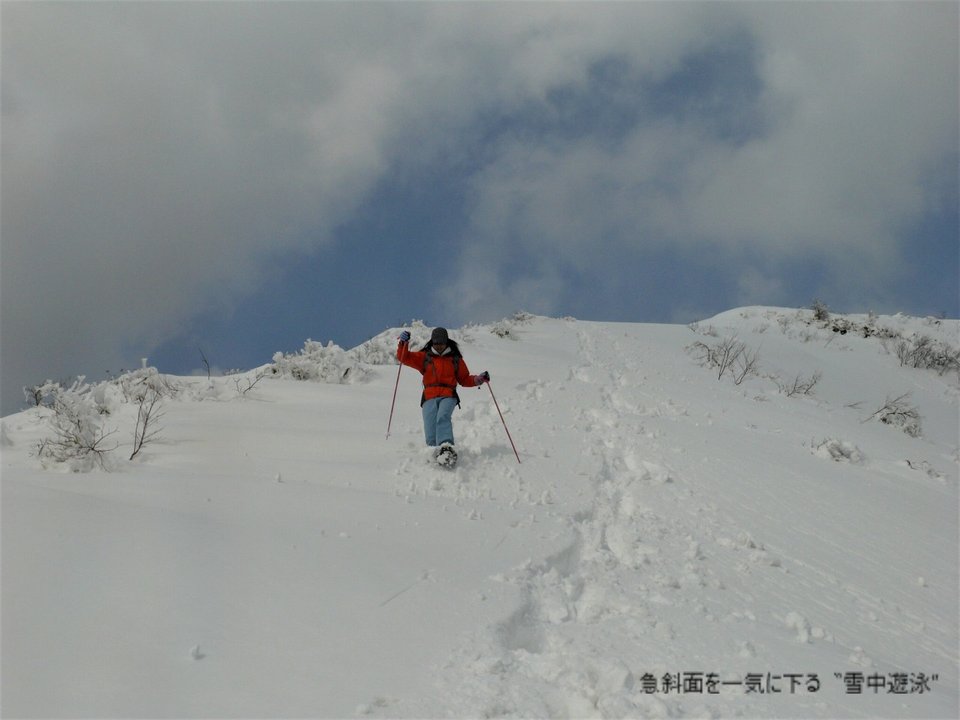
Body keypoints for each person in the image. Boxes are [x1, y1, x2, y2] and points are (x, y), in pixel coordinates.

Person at [397, 327, 489, 464]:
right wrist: (403, 343)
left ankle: (446, 447)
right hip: (429, 396)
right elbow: (404, 358)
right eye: (436, 343)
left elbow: (464, 379)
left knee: (443, 417)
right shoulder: (425, 357)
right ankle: (433, 450)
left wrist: (478, 379)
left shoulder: (455, 359)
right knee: (430, 423)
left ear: (446, 342)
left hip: (448, 394)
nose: (439, 346)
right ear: (432, 342)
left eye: (441, 343)